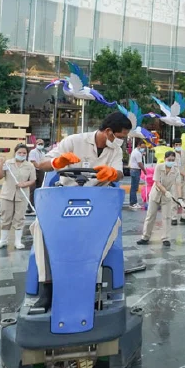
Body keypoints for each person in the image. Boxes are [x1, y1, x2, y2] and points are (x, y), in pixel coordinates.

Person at [31, 112, 126, 311]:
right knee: (40, 227)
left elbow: (119, 171)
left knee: (113, 226)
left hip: (98, 199)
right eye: (121, 136)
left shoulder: (115, 150)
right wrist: (59, 162)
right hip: (67, 197)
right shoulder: (74, 141)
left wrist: (112, 173)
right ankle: (46, 286)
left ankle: (90, 279)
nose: (122, 140)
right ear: (109, 132)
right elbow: (43, 164)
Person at [138, 150, 185, 247]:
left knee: (167, 217)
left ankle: (166, 238)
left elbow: (178, 184)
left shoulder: (175, 170)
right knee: (150, 216)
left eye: (173, 160)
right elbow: (157, 182)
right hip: (156, 193)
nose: (171, 161)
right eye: (169, 159)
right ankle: (145, 237)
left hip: (167, 196)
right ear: (165, 159)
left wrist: (180, 198)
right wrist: (165, 192)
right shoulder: (159, 167)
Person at [0, 144, 36, 250]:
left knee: (19, 218)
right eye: (19, 153)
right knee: (5, 217)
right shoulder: (8, 163)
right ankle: (3, 240)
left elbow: (32, 180)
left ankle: (18, 241)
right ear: (15, 153)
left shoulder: (30, 166)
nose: (22, 155)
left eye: (24, 153)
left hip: (22, 195)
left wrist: (24, 184)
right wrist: (1, 163)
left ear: (27, 154)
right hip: (7, 195)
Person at [27, 138, 47, 213]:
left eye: (42, 144)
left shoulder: (43, 152)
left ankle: (37, 205)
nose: (40, 145)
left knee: (39, 188)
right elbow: (33, 161)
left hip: (41, 171)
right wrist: (39, 166)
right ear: (36, 144)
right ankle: (30, 206)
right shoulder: (33, 152)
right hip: (34, 170)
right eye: (39, 143)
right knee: (32, 188)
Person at [128, 142, 146, 210]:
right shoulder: (137, 153)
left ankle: (133, 202)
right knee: (134, 187)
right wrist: (144, 170)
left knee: (134, 187)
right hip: (135, 170)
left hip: (134, 170)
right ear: (138, 145)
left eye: (144, 147)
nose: (143, 149)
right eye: (142, 147)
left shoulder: (135, 151)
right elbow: (140, 163)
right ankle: (133, 203)